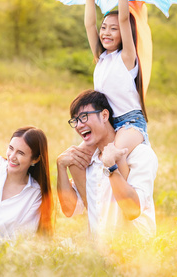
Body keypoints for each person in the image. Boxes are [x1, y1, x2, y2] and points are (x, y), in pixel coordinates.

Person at [57, 90, 158, 243]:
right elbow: (69, 209)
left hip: (136, 256)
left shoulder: (140, 155)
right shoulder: (88, 161)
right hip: (100, 259)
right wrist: (61, 168)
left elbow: (132, 210)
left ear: (104, 115)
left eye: (84, 117)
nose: (79, 125)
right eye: (75, 120)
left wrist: (111, 167)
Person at [83, 0, 150, 181]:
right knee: (79, 156)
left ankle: (130, 196)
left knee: (110, 157)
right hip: (107, 123)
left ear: (124, 34)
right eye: (104, 28)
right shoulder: (101, 58)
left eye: (113, 29)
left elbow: (123, 19)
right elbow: (89, 24)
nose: (106, 33)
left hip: (131, 123)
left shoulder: (127, 57)